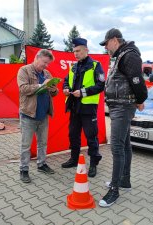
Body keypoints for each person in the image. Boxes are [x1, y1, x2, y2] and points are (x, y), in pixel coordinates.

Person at [98, 28, 148, 207]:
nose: (106, 48)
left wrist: (141, 99)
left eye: (106, 44)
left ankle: (114, 190)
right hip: (118, 105)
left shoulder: (129, 55)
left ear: (114, 40)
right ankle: (124, 180)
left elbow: (137, 80)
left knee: (116, 146)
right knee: (125, 144)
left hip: (123, 106)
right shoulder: (121, 55)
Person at [61, 38, 105, 178]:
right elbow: (66, 80)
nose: (75, 54)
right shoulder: (74, 67)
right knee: (73, 135)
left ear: (86, 50)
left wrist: (83, 92)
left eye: (78, 51)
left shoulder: (95, 65)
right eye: (74, 51)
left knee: (91, 137)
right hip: (74, 107)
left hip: (88, 108)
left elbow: (101, 85)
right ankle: (74, 159)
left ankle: (93, 163)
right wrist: (66, 88)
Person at [17, 49, 59, 183]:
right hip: (28, 114)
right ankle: (24, 169)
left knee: (43, 143)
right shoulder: (24, 70)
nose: (46, 66)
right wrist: (41, 85)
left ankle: (41, 164)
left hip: (43, 115)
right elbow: (23, 89)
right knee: (26, 145)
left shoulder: (47, 73)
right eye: (44, 62)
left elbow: (54, 93)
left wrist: (53, 89)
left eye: (48, 63)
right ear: (37, 58)